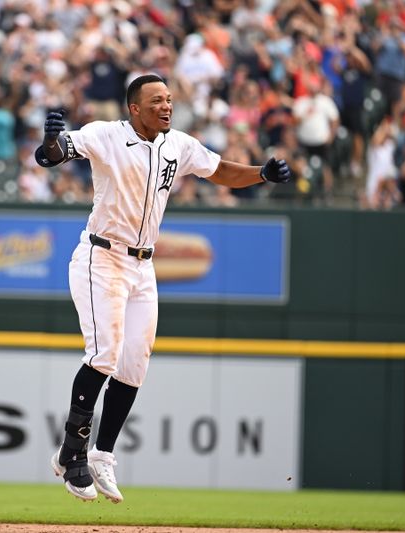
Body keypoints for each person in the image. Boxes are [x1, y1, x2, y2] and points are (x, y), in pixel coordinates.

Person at [35, 74, 291, 503]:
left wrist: (261, 174)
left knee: (135, 363)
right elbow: (57, 154)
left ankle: (102, 455)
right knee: (104, 354)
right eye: (157, 101)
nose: (166, 106)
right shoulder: (107, 135)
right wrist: (50, 143)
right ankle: (72, 452)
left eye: (169, 99)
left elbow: (221, 170)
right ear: (135, 108)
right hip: (103, 256)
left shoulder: (179, 145)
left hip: (144, 265)